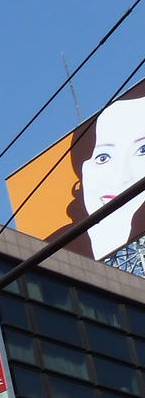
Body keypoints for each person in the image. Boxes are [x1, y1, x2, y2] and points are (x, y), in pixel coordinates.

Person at [67, 79, 145, 262]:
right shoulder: (51, 257)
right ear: (82, 175)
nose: (119, 177)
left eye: (142, 150)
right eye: (103, 157)